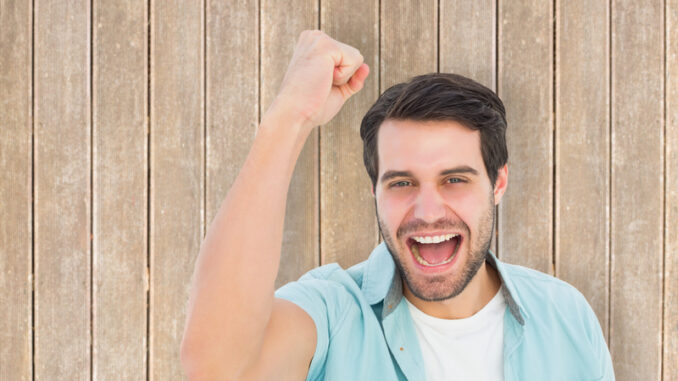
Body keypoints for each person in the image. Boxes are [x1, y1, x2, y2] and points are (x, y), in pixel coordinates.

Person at [180, 31, 615, 381]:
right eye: (402, 182)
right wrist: (289, 115)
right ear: (375, 191)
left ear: (498, 182)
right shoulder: (332, 316)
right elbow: (215, 368)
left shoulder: (565, 316)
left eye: (455, 179)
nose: (427, 211)